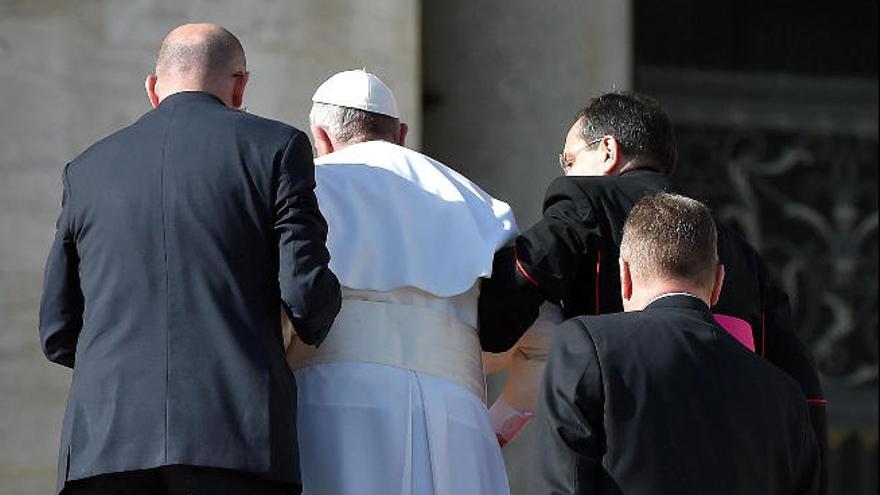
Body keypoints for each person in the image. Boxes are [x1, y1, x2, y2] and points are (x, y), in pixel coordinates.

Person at [38, 24, 340, 495]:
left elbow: (57, 330)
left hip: (104, 448)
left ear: (152, 88)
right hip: (236, 441)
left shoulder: (86, 169)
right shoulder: (277, 148)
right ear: (240, 86)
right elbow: (306, 295)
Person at [478, 92, 827, 487]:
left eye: (571, 160)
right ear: (717, 282)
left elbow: (517, 285)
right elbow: (801, 388)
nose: (568, 172)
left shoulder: (587, 201)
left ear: (608, 150)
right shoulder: (743, 253)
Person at [285, 69, 514, 494]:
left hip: (330, 405)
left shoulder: (305, 190)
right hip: (457, 418)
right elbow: (540, 338)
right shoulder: (479, 203)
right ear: (402, 133)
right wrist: (503, 417)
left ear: (320, 135)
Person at [530, 192, 821, 494]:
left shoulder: (587, 346)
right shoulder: (785, 396)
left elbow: (562, 486)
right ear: (718, 283)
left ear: (625, 275)